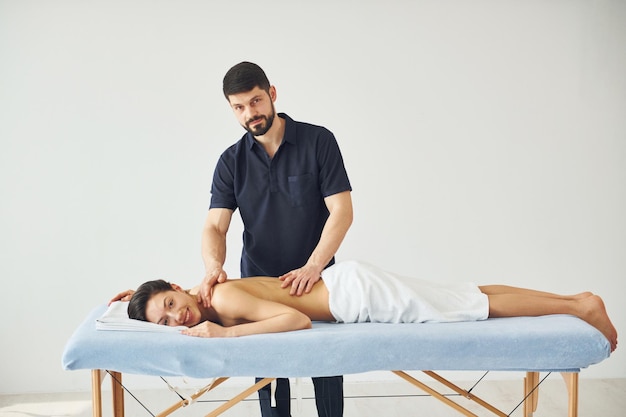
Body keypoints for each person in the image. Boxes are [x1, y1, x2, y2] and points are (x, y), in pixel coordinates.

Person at [113, 61, 353, 417]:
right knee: (271, 387)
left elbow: (342, 211)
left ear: (272, 95)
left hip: (316, 280)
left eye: (255, 102)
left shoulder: (318, 141)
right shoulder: (231, 162)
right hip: (257, 282)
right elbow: (215, 226)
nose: (249, 114)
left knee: (327, 376)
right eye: (239, 107)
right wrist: (211, 268)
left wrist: (314, 265)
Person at [127, 260, 618, 353]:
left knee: (468, 306)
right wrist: (134, 299)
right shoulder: (207, 297)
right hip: (351, 286)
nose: (178, 317)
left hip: (355, 297)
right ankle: (573, 301)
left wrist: (227, 335)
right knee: (467, 295)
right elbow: (174, 300)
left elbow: (296, 319)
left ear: (179, 285)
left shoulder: (224, 299)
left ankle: (579, 305)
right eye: (166, 321)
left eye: (171, 303)